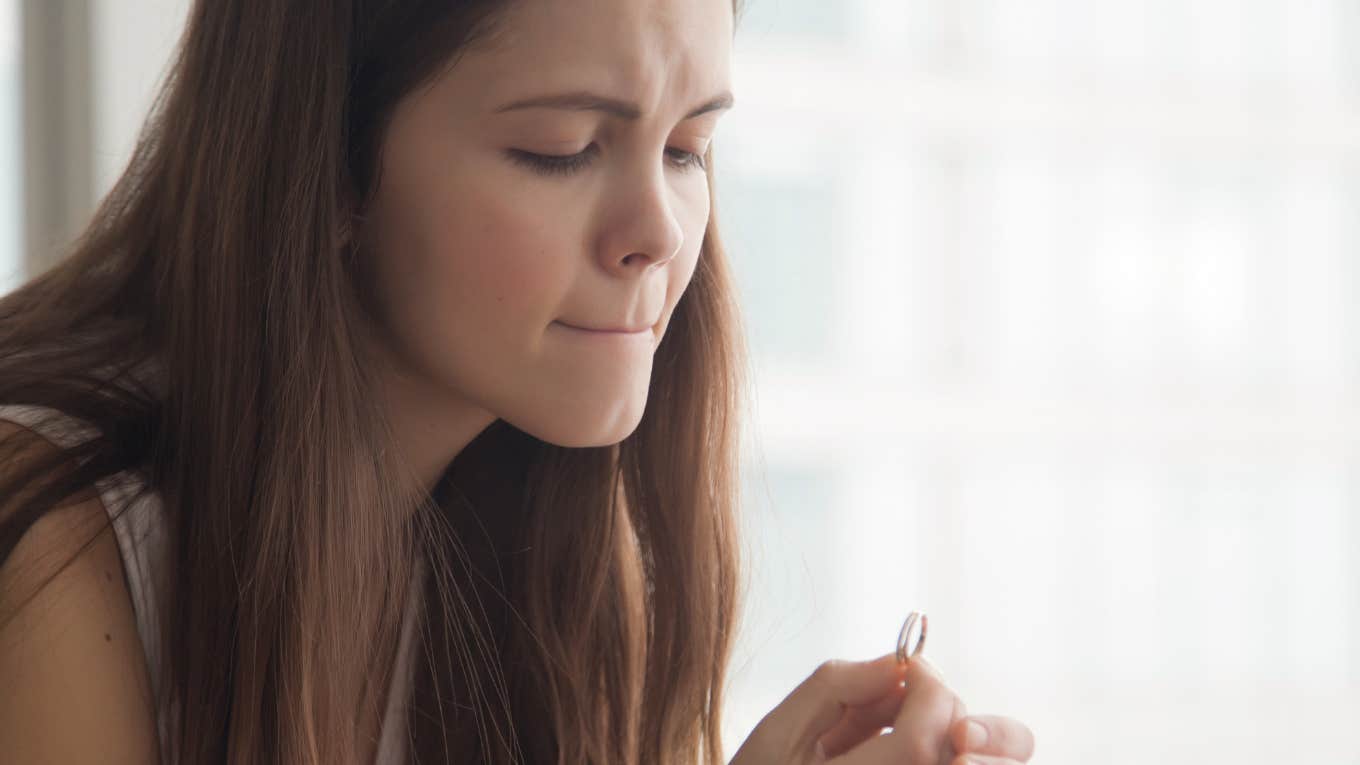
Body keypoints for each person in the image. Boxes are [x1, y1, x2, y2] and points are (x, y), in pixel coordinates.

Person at [0, 0, 1036, 763]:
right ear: (326, 165)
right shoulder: (48, 537)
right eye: (565, 150)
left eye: (687, 148)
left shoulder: (558, 550)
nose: (660, 236)